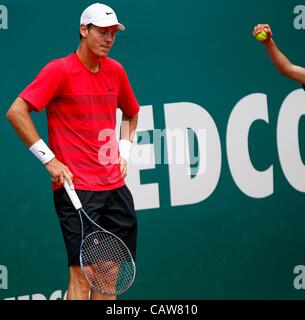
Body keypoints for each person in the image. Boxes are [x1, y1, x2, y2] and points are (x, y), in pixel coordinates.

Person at [6, 3, 139, 300]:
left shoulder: (116, 71)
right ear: (84, 30)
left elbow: (131, 113)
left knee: (108, 278)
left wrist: (124, 152)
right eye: (102, 32)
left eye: (113, 34)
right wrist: (49, 160)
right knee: (81, 278)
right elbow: (17, 112)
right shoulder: (59, 70)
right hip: (76, 191)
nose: (109, 39)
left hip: (115, 190)